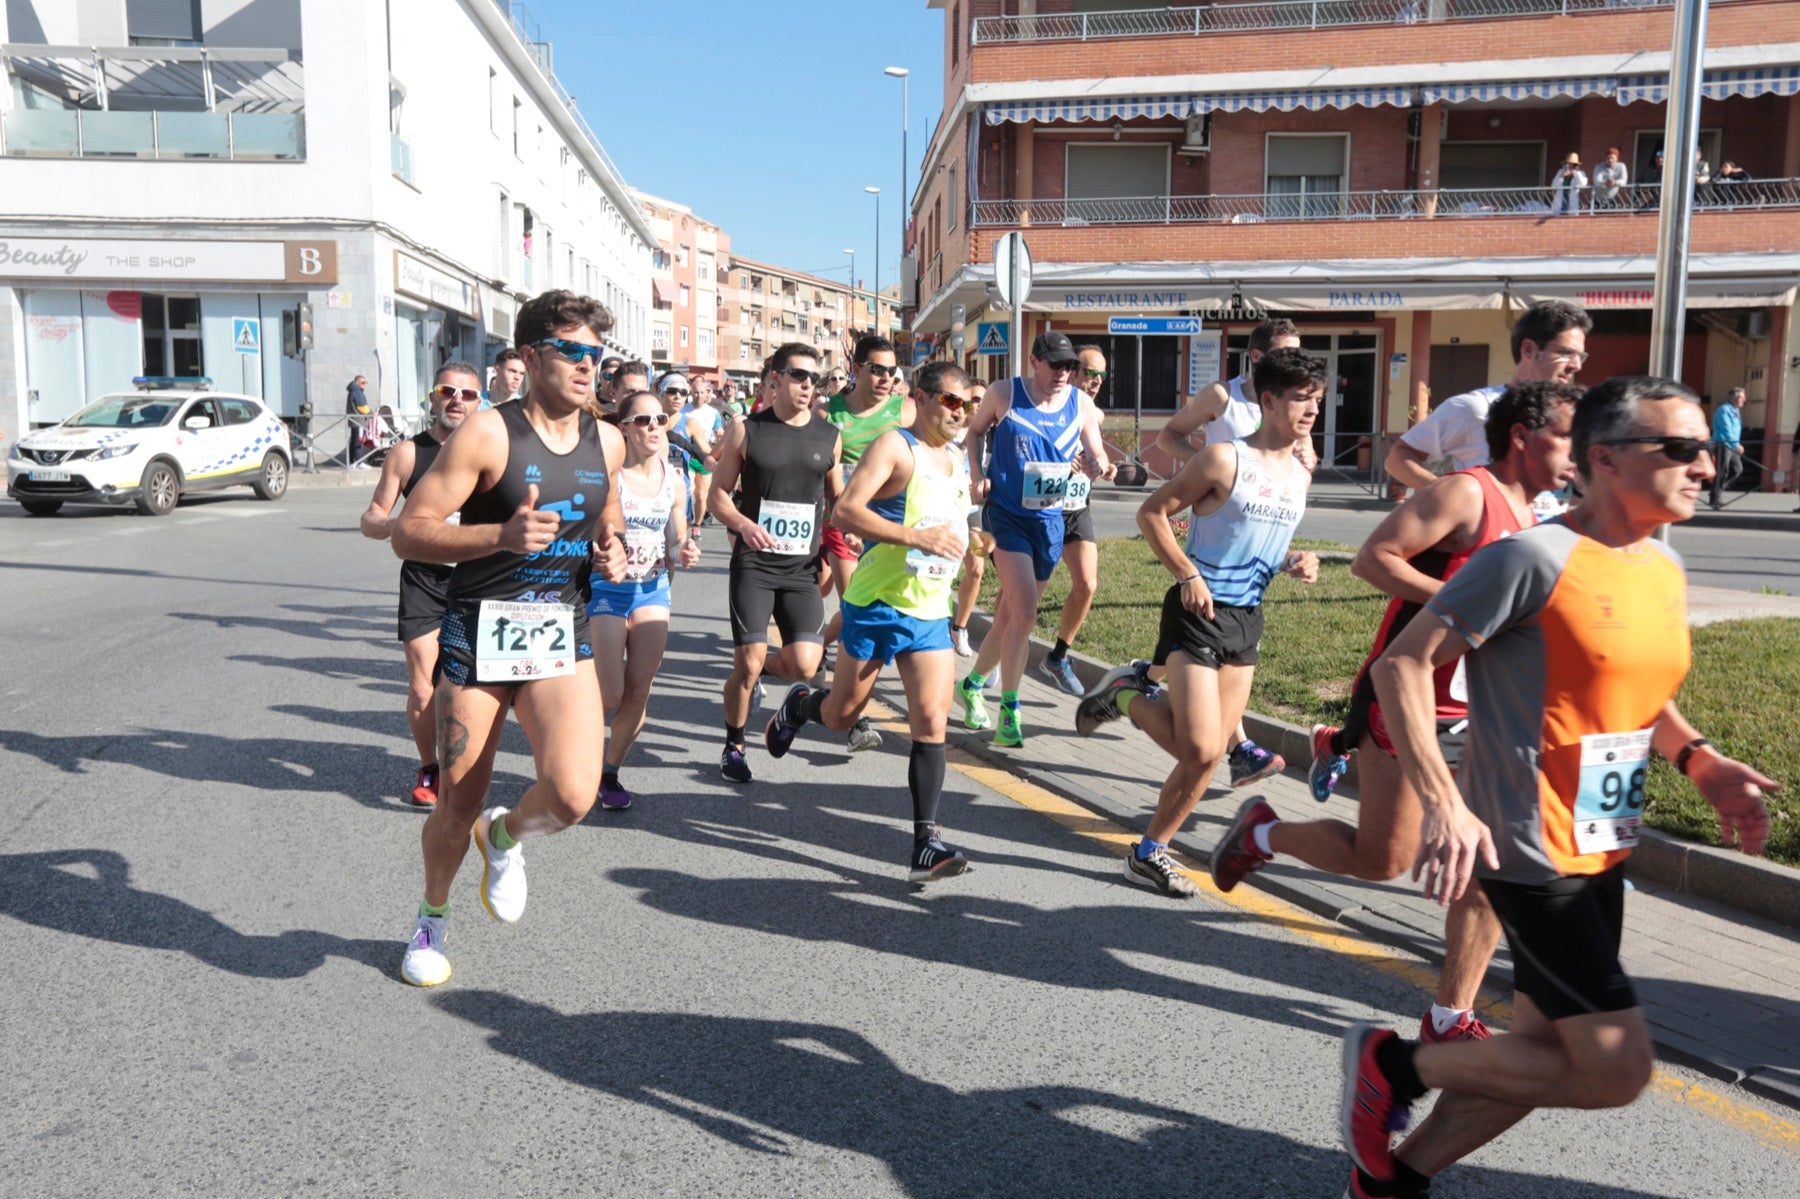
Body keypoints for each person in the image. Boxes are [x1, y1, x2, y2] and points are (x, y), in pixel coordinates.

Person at [1339, 376, 1775, 1199]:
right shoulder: (1531, 558)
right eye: (1680, 448)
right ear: (1604, 460)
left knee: (1545, 1054)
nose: (1706, 466)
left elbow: (1634, 689)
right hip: (1530, 845)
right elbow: (1402, 664)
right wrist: (1444, 800)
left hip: (1601, 841)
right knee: (1614, 1069)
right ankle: (1392, 1065)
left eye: (1706, 450)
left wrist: (1699, 760)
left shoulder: (1661, 565)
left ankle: (1393, 1181)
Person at [1211, 382, 1581, 1050]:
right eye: (1567, 437)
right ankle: (1263, 833)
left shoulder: (1542, 516)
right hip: (1410, 701)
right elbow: (1373, 558)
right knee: (1383, 859)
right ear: (1523, 436)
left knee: (1490, 862)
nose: (1578, 453)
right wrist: (1470, 607)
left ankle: (1448, 1019)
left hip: (1487, 712)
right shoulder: (1466, 494)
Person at [390, 289, 629, 988]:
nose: (587, 366)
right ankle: (431, 918)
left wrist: (611, 546)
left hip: (560, 629)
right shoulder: (488, 435)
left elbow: (607, 507)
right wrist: (500, 535)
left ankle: (504, 836)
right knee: (456, 802)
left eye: (595, 354)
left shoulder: (608, 439)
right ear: (530, 355)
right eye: (571, 350)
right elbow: (410, 531)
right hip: (479, 633)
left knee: (573, 795)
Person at [1077, 348, 1323, 897]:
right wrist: (1187, 573)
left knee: (1209, 758)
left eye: (1317, 399)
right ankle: (1125, 696)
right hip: (1196, 612)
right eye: (1301, 398)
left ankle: (1147, 853)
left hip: (1246, 620)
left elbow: (1260, 546)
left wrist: (1294, 560)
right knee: (1203, 750)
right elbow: (1151, 512)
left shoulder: (1300, 476)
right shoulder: (1224, 460)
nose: (1312, 409)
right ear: (1269, 401)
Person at [764, 362, 980, 882]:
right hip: (877, 604)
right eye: (952, 401)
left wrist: (974, 545)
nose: (962, 413)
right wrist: (917, 538)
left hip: (929, 610)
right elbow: (845, 511)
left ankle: (926, 845)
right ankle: (801, 704)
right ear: (921, 399)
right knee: (841, 716)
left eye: (970, 405)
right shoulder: (895, 447)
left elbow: (950, 522)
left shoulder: (957, 458)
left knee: (931, 722)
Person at [1149, 317, 1309, 785]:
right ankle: (1233, 746)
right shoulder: (1223, 396)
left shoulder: (1294, 404)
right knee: (1203, 734)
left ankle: (1146, 684)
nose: (1295, 362)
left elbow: (1297, 458)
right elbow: (1167, 436)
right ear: (1257, 358)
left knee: (1222, 651)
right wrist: (1207, 473)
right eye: (1285, 354)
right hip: (1216, 523)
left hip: (1260, 529)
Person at [956, 331, 1109, 747]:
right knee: (1024, 612)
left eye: (1070, 367)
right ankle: (1010, 710)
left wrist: (1098, 464)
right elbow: (975, 432)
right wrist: (977, 474)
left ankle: (971, 685)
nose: (1063, 374)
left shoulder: (1080, 404)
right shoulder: (1004, 393)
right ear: (1034, 362)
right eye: (1055, 365)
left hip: (1050, 521)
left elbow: (1096, 450)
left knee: (1011, 618)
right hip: (1006, 515)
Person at [708, 342, 843, 784]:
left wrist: (849, 533)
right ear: (775, 379)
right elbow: (717, 496)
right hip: (755, 565)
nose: (808, 385)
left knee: (806, 665)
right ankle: (734, 746)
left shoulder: (829, 436)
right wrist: (743, 524)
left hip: (801, 570)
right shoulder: (747, 430)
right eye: (799, 376)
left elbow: (839, 501)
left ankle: (773, 684)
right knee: (744, 666)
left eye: (814, 379)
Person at [359, 361, 482, 807]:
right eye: (448, 391)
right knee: (422, 687)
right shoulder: (408, 454)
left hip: (476, 579)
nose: (457, 401)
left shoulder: (492, 451)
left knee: (464, 686)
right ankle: (430, 767)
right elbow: (371, 517)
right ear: (433, 397)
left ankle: (461, 767)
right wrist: (402, 526)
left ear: (480, 402)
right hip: (424, 578)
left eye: (468, 395)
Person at [588, 390, 702, 811]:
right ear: (624, 429)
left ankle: (609, 772)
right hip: (607, 590)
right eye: (642, 420)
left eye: (659, 420)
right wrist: (598, 553)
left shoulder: (673, 478)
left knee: (639, 690)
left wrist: (684, 550)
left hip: (652, 589)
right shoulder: (609, 477)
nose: (654, 426)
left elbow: (676, 537)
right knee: (610, 693)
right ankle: (576, 750)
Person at [1384, 299, 1591, 492]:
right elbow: (1397, 459)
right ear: (1528, 350)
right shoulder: (1477, 407)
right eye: (1566, 353)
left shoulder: (1570, 415)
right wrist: (1451, 497)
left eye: (1580, 356)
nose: (1577, 366)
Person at [820, 335, 915, 751]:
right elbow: (827, 478)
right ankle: (855, 720)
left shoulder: (905, 411)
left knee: (851, 612)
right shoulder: (830, 414)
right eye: (877, 369)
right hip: (845, 523)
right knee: (854, 607)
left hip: (890, 529)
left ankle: (816, 648)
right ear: (857, 369)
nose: (885, 378)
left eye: (891, 371)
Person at [1037, 343, 1118, 695]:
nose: (1097, 380)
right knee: (1023, 594)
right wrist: (1060, 463)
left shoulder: (1093, 413)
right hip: (1044, 508)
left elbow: (1097, 457)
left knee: (1087, 584)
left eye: (1102, 375)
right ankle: (997, 647)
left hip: (1077, 508)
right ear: (1072, 372)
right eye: (1090, 372)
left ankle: (1057, 657)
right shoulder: (1048, 404)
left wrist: (1106, 467)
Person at [1708, 386, 1746, 509]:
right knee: (1722, 471)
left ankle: (1716, 491)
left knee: (1737, 469)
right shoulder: (1724, 410)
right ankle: (1716, 498)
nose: (1744, 400)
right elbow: (1726, 429)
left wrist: (1736, 444)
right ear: (1733, 398)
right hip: (1723, 444)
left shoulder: (1736, 411)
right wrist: (1736, 445)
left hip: (1732, 445)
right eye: (1741, 397)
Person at [344, 374, 372, 469]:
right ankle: (358, 462)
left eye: (365, 383)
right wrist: (372, 414)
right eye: (363, 382)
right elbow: (363, 408)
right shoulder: (357, 392)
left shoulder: (353, 391)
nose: (365, 384)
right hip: (358, 421)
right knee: (358, 442)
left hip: (354, 421)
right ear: (357, 382)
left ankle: (353, 462)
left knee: (354, 441)